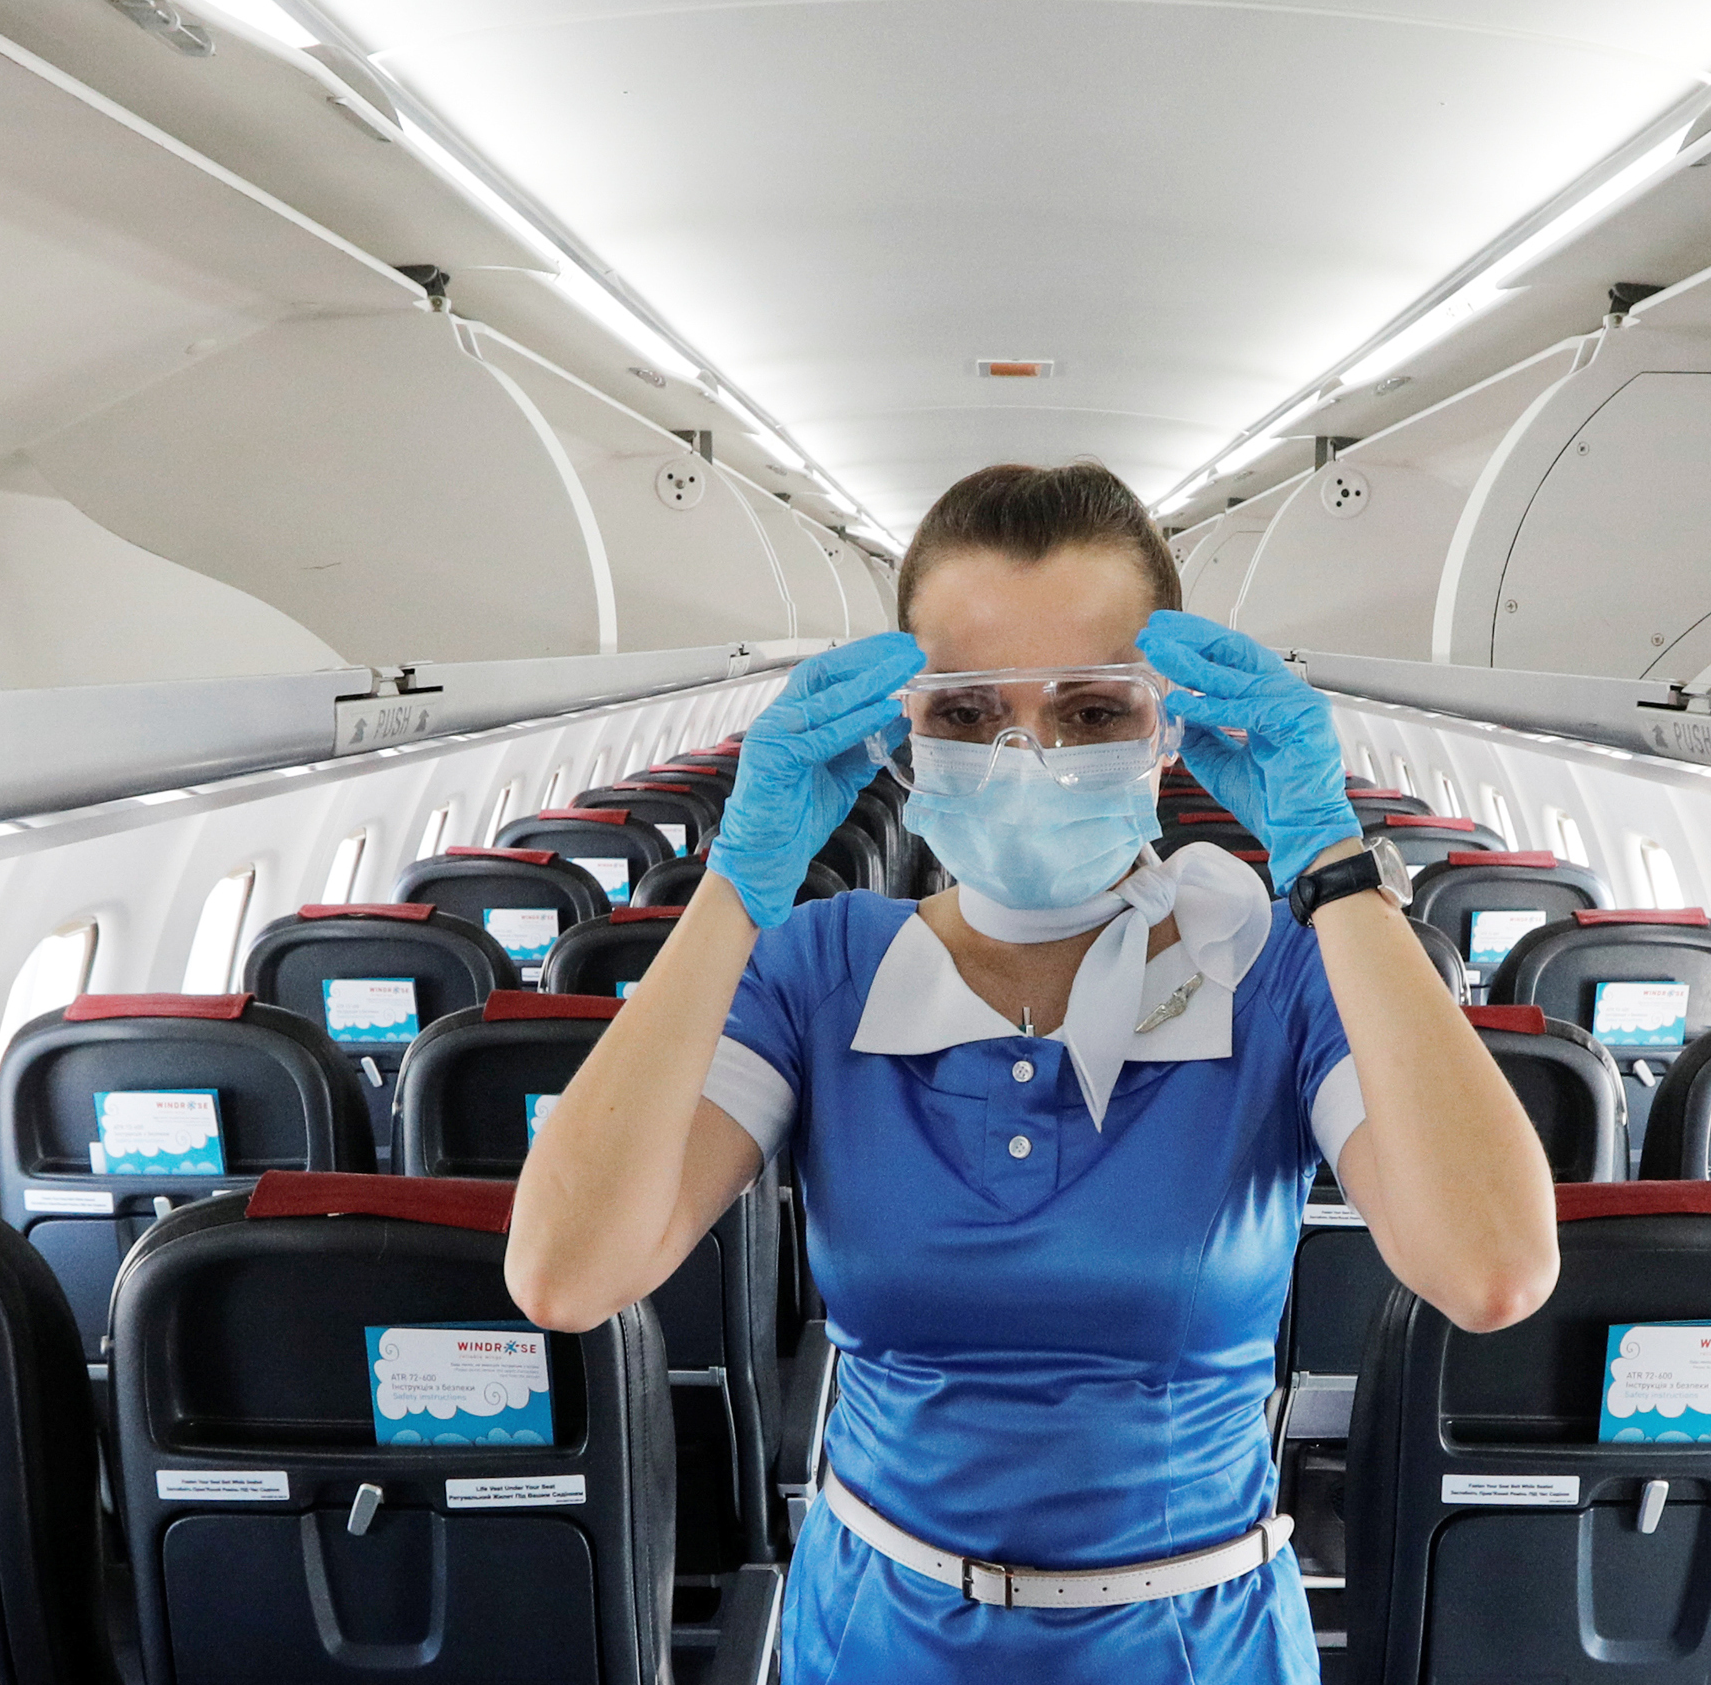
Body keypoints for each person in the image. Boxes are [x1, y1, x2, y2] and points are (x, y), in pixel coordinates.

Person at [506, 461, 1559, 1682]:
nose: (1027, 752)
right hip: (876, 1633)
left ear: (1169, 721)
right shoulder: (819, 969)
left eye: (1090, 710)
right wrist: (737, 883)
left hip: (1193, 1641)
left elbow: (1489, 1268)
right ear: (901, 728)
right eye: (965, 712)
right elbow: (565, 1273)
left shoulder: (1273, 972)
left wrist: (1328, 857)